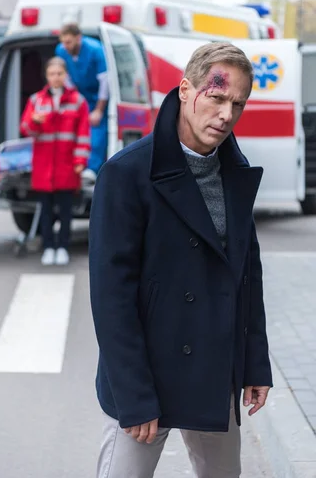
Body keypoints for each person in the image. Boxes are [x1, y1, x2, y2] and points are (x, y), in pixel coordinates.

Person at [89, 42, 273, 478]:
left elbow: (248, 274)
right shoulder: (128, 173)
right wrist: (133, 395)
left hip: (215, 369)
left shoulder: (235, 171)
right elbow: (111, 297)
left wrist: (255, 362)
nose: (227, 114)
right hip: (147, 374)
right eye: (217, 97)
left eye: (238, 104)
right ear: (186, 89)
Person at [20, 56, 90, 266]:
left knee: (66, 210)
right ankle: (48, 246)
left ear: (65, 75)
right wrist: (34, 121)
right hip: (44, 165)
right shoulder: (36, 100)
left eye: (59, 73)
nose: (56, 77)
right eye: (52, 74)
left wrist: (80, 160)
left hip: (66, 165)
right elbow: (26, 130)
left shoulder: (78, 101)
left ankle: (63, 247)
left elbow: (83, 134)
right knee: (46, 210)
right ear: (47, 76)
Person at [55, 23, 108, 180]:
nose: (66, 46)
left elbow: (105, 82)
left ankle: (93, 168)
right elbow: (67, 78)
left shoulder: (95, 50)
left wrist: (98, 109)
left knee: (96, 129)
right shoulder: (61, 50)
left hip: (97, 95)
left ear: (79, 38)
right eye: (64, 42)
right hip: (81, 94)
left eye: (69, 42)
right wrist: (75, 99)